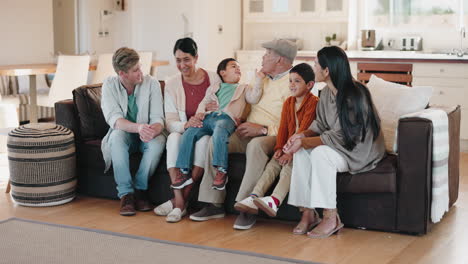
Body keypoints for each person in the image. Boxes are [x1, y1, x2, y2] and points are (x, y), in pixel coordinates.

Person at [189, 39, 297, 230]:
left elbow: (294, 125)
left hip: (272, 135)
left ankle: (246, 207)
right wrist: (237, 117)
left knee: (256, 146)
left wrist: (262, 130)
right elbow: (247, 102)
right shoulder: (261, 78)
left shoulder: (293, 84)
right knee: (217, 139)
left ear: (279, 59)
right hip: (247, 129)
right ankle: (213, 204)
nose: (263, 57)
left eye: (267, 53)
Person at [283, 46, 386, 238]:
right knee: (302, 151)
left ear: (326, 70)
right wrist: (301, 136)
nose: (313, 67)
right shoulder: (326, 93)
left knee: (320, 154)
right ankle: (307, 213)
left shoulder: (356, 93)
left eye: (315, 64)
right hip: (340, 148)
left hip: (358, 151)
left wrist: (305, 142)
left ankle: (331, 217)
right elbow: (321, 124)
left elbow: (341, 135)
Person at [235, 63, 318, 223]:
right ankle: (254, 196)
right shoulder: (288, 103)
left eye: (297, 81)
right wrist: (280, 148)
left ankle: (275, 199)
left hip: (304, 147)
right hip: (289, 145)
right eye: (290, 81)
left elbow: (304, 129)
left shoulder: (313, 102)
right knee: (273, 164)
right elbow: (284, 129)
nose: (292, 85)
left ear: (309, 85)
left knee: (288, 166)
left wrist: (289, 152)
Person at [154, 37, 221, 223]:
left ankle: (178, 203)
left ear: (196, 58)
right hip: (185, 131)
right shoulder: (172, 84)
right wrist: (186, 125)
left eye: (186, 60)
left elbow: (222, 106)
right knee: (173, 138)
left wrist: (213, 111)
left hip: (207, 131)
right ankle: (180, 201)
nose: (182, 65)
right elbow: (170, 122)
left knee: (204, 142)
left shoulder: (213, 78)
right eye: (178, 60)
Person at [174, 58, 262, 192]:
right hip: (209, 117)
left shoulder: (244, 88)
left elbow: (254, 98)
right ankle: (183, 170)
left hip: (226, 118)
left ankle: (221, 170)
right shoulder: (214, 87)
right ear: (222, 72)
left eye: (239, 67)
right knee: (190, 131)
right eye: (233, 66)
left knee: (220, 129)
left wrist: (258, 80)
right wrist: (199, 114)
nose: (238, 69)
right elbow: (203, 103)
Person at [101, 47, 166, 216]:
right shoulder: (109, 85)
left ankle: (140, 189)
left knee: (159, 141)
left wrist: (154, 130)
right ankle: (126, 195)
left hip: (147, 136)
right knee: (116, 136)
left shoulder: (152, 83)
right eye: (135, 70)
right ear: (122, 74)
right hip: (126, 135)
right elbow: (114, 120)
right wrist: (138, 128)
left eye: (140, 67)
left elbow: (158, 118)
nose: (141, 73)